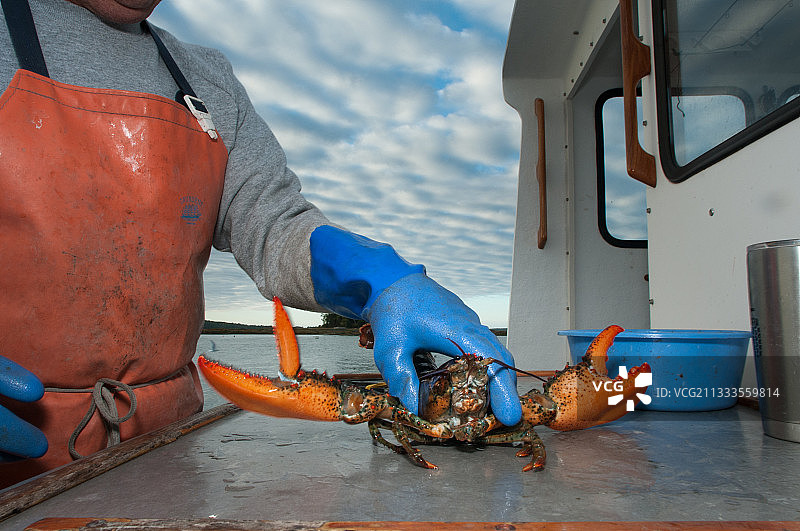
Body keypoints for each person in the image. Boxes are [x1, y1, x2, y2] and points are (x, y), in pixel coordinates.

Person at [0, 0, 522, 487]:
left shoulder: (207, 77)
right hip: (20, 438)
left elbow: (271, 221)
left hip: (168, 441)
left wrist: (379, 278)